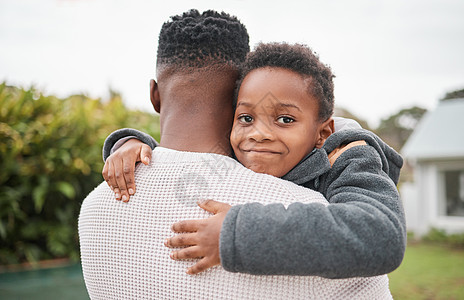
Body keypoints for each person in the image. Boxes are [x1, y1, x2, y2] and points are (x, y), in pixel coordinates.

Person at [79, 9, 394, 299]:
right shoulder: (314, 217)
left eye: (284, 119)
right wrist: (129, 141)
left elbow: (381, 235)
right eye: (248, 118)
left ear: (154, 95)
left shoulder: (93, 209)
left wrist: (237, 233)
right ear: (238, 97)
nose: (260, 134)